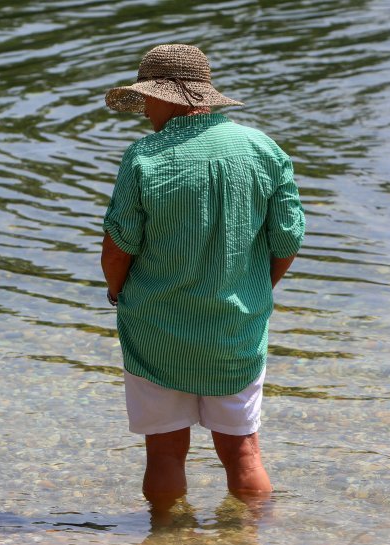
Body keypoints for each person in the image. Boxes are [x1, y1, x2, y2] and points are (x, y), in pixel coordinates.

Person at [100, 44, 305, 514]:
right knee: (243, 451)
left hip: (157, 329)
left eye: (148, 99)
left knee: (166, 452)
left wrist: (116, 291)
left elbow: (118, 247)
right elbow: (288, 238)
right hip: (237, 327)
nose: (146, 110)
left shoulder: (144, 156)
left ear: (169, 97)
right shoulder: (263, 150)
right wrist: (257, 289)